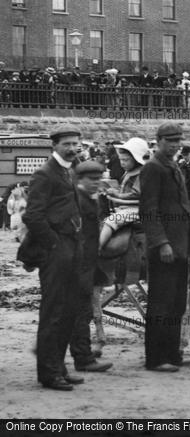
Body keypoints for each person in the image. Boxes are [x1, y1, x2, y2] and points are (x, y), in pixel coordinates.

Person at [139, 122, 190, 372]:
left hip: (180, 244)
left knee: (176, 303)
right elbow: (148, 211)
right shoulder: (152, 168)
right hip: (165, 247)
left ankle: (172, 354)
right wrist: (161, 243)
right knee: (160, 303)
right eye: (170, 140)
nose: (175, 144)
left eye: (178, 140)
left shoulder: (173, 165)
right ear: (158, 140)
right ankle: (156, 358)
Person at [22, 125, 86, 390]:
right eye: (66, 144)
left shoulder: (69, 170)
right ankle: (48, 374)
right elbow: (32, 215)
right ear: (54, 146)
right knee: (53, 312)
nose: (72, 148)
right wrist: (53, 244)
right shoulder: (45, 173)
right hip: (56, 250)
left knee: (69, 311)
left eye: (76, 144)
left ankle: (59, 367)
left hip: (71, 246)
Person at [70, 161, 113, 373]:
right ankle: (83, 358)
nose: (96, 183)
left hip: (86, 263)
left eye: (99, 179)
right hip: (79, 264)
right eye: (92, 180)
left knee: (79, 310)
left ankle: (82, 354)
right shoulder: (77, 201)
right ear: (80, 180)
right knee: (79, 311)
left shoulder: (88, 199)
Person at [98, 138, 149, 251]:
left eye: (126, 160)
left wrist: (117, 196)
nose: (122, 163)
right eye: (121, 160)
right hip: (127, 207)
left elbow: (135, 194)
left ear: (136, 160)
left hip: (136, 209)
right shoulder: (129, 172)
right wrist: (113, 192)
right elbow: (124, 189)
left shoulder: (141, 174)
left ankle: (98, 248)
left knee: (110, 222)